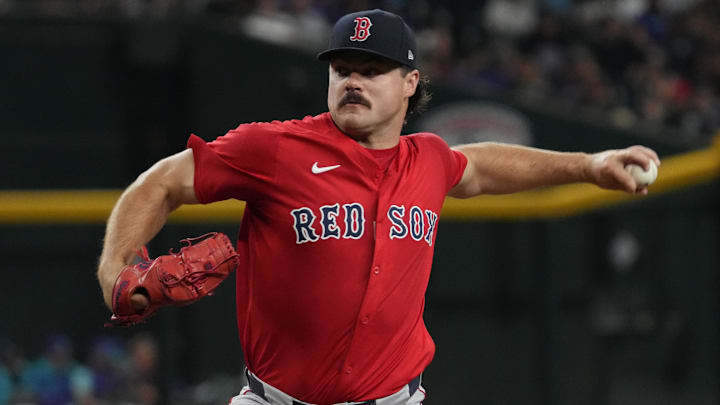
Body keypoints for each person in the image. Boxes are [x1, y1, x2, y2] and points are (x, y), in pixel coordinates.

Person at [97, 8, 660, 405]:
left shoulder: (428, 160)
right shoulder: (275, 149)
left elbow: (482, 165)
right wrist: (118, 267)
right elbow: (161, 182)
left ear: (410, 82)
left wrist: (589, 165)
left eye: (371, 70)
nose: (352, 82)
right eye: (342, 70)